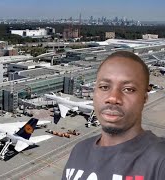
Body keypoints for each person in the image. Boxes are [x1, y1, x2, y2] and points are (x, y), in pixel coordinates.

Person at [62, 51, 165, 180]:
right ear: (94, 92)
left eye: (128, 89)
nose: (113, 98)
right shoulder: (79, 151)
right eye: (104, 87)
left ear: (144, 98)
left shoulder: (159, 159)